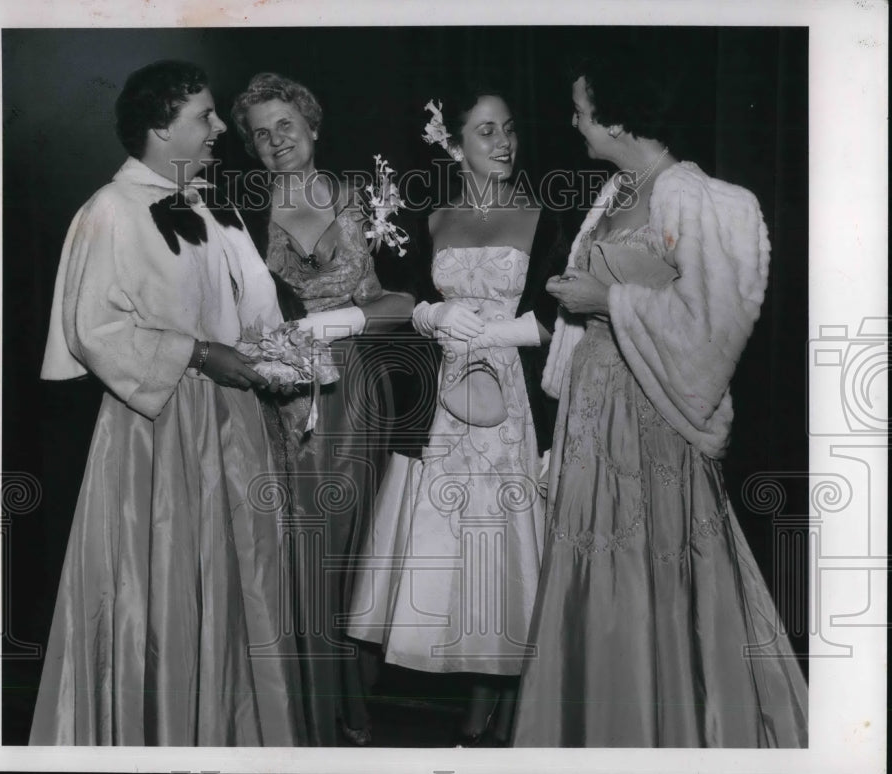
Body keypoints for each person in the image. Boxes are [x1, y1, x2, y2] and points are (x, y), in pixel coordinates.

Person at [511, 54, 809, 747]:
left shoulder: (699, 199)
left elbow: (714, 326)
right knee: (592, 573)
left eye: (582, 109)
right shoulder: (614, 193)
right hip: (594, 415)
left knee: (653, 578)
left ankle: (657, 727)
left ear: (618, 119)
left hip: (651, 417)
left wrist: (607, 300)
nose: (574, 122)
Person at [31, 60, 304, 746]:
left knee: (238, 583)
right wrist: (203, 354)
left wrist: (279, 363)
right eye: (202, 118)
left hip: (231, 422)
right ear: (159, 128)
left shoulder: (211, 206)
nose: (218, 130)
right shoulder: (109, 212)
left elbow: (244, 308)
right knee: (163, 589)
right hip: (154, 432)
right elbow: (93, 330)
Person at [346, 87, 567, 747]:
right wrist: (432, 314)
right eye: (486, 132)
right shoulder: (430, 218)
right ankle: (366, 705)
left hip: (513, 406)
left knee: (502, 553)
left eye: (509, 131)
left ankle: (482, 714)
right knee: (428, 545)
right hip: (438, 405)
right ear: (453, 144)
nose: (503, 143)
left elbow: (565, 322)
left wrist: (498, 334)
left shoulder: (544, 217)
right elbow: (394, 298)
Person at [230, 72, 415, 746]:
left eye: (285, 125)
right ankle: (300, 713)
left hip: (355, 396)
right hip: (278, 400)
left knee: (350, 549)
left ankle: (348, 706)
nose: (275, 141)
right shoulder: (242, 217)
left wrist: (337, 322)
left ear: (311, 125)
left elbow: (406, 303)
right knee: (292, 551)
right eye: (259, 133)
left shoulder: (369, 199)